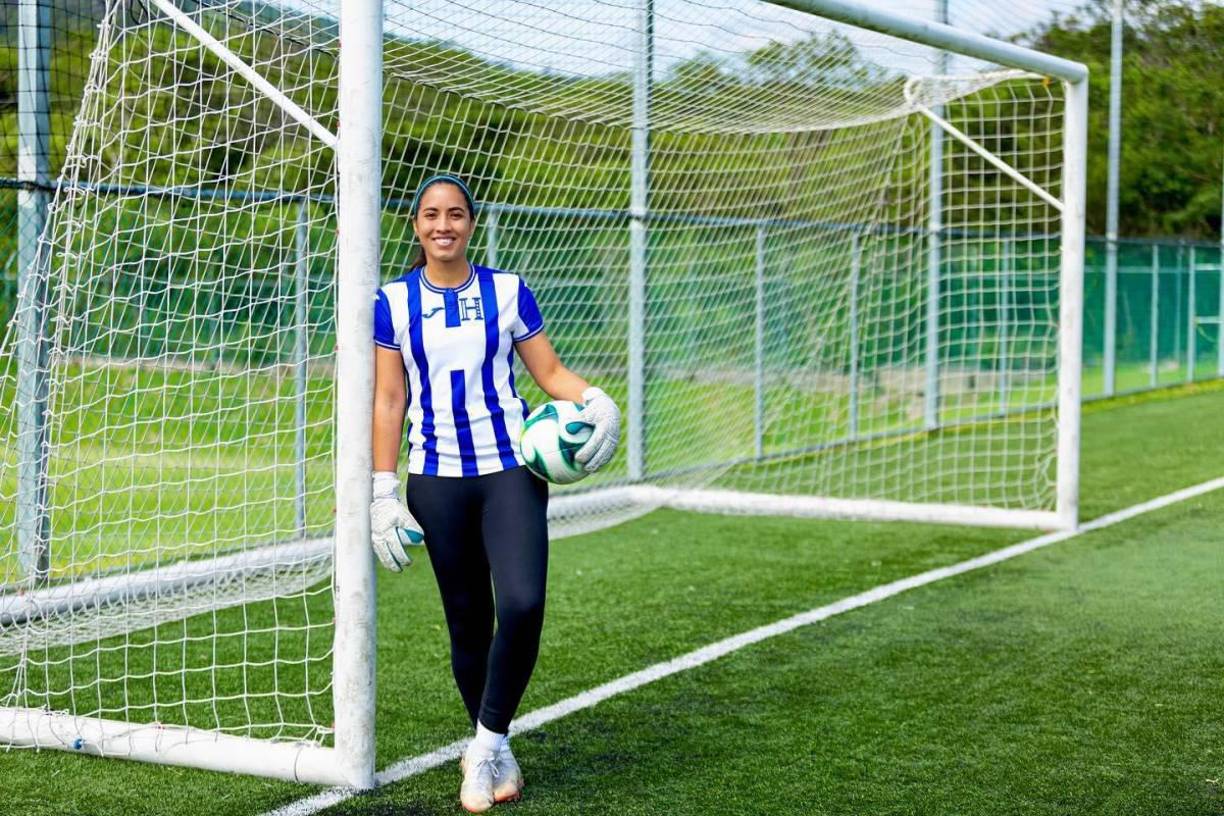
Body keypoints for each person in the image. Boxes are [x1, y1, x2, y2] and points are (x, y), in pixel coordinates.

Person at [368, 174, 620, 813]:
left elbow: (551, 373)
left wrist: (597, 402)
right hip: (436, 479)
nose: (443, 225)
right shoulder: (392, 302)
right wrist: (381, 491)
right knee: (469, 622)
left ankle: (482, 746)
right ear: (416, 226)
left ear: (471, 224)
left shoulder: (506, 291)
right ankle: (493, 747)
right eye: (430, 215)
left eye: (455, 214)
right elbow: (389, 398)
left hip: (510, 471)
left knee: (524, 601)